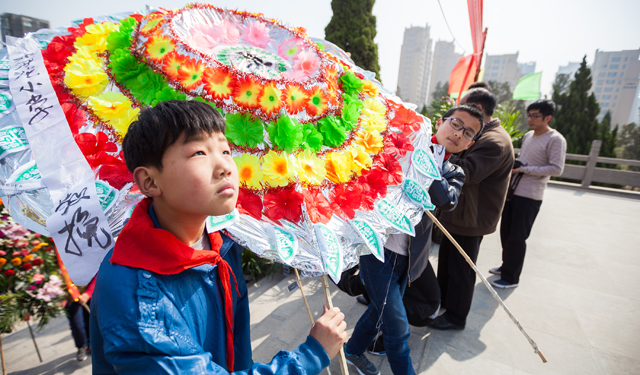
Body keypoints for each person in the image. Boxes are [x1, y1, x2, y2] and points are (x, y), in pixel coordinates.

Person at [90, 100, 347, 374]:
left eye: (226, 150)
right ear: (150, 182)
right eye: (199, 152)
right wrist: (312, 356)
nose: (225, 166)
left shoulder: (222, 244)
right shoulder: (137, 296)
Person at [344, 104, 482, 375]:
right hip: (377, 251)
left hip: (408, 259)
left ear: (470, 143)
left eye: (468, 133)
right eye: (456, 124)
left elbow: (445, 199)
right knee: (397, 327)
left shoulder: (454, 171)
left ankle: (352, 351)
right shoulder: (405, 144)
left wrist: (424, 163)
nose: (458, 134)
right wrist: (412, 152)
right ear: (441, 121)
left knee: (378, 311)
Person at [431, 88, 514, 331]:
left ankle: (456, 317)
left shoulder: (493, 141)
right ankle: (444, 303)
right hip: (460, 212)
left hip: (472, 216)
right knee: (447, 262)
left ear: (478, 108)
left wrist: (439, 156)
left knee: (461, 269)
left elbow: (468, 172)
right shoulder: (485, 134)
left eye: (466, 106)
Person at [489, 100, 566, 288]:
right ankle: (506, 266)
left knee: (517, 236)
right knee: (506, 232)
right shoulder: (528, 136)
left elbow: (557, 169)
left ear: (548, 118)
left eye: (535, 116)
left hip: (531, 195)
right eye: (529, 115)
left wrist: (525, 169)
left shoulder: (556, 139)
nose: (530, 119)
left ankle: (511, 278)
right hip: (513, 190)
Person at [64, 276, 95, 362]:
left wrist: (88, 293)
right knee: (77, 325)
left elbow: (96, 273)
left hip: (88, 294)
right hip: (69, 298)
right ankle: (82, 346)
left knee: (91, 321)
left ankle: (92, 344)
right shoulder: (57, 264)